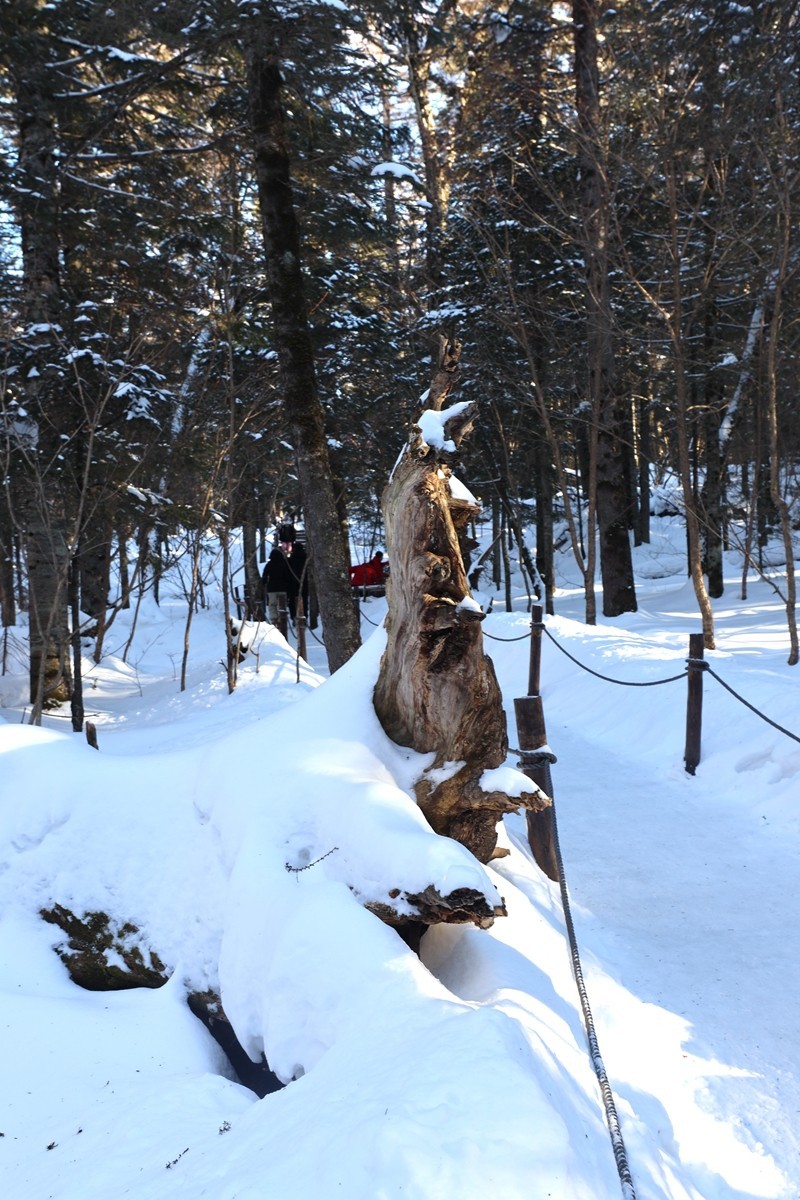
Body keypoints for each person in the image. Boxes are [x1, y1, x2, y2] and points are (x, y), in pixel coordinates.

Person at [262, 546, 293, 624]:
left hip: (272, 588)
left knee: (272, 604)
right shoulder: (284, 564)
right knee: (282, 605)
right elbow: (288, 576)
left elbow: (264, 576)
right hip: (283, 588)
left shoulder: (269, 565)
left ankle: (274, 619)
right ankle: (281, 619)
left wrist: (264, 583)